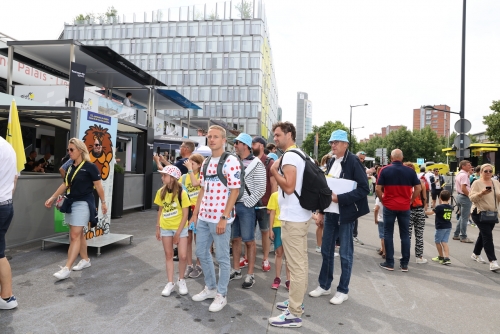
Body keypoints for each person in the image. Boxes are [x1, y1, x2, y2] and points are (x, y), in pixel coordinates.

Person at [309, 130, 369, 307]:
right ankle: (324, 285)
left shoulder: (353, 162)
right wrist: (321, 210)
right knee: (326, 251)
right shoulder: (331, 161)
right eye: (331, 143)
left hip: (345, 214)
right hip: (330, 213)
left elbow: (364, 189)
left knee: (345, 254)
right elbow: (325, 188)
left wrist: (340, 199)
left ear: (345, 144)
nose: (332, 145)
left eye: (336, 142)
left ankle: (343, 290)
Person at [191, 125, 240, 312]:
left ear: (223, 140)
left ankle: (222, 294)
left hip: (220, 217)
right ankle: (210, 288)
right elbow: (203, 188)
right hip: (204, 216)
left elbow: (235, 191)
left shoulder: (231, 161)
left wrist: (224, 217)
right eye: (209, 136)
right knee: (202, 252)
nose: (211, 139)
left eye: (215, 137)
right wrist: (195, 214)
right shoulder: (205, 162)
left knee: (221, 257)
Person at [44, 138, 107, 280]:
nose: (69, 152)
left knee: (74, 235)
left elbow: (98, 186)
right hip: (71, 203)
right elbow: (65, 185)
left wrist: (103, 202)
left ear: (80, 150)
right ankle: (85, 260)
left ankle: (67, 268)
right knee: (79, 235)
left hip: (83, 203)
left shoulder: (90, 167)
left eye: (71, 149)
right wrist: (53, 197)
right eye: (68, 150)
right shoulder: (71, 167)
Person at [268, 121, 311, 328]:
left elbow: (290, 186)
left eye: (278, 135)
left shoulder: (291, 156)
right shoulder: (301, 154)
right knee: (300, 264)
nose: (274, 139)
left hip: (293, 218)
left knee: (296, 266)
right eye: (274, 135)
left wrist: (273, 171)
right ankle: (297, 303)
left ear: (289, 134)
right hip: (299, 215)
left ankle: (294, 313)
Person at [230, 133, 266, 289]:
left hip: (246, 206)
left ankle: (250, 274)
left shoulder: (257, 164)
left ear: (245, 145)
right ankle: (237, 269)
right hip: (232, 205)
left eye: (237, 143)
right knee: (235, 239)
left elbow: (261, 188)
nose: (235, 145)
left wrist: (247, 204)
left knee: (250, 241)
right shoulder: (233, 161)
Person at [376, 149, 421, 272]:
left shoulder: (385, 170)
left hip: (389, 205)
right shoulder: (410, 171)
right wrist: (411, 200)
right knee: (405, 235)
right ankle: (404, 264)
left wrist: (383, 200)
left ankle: (389, 262)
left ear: (391, 158)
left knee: (388, 234)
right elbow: (418, 187)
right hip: (405, 206)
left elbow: (378, 188)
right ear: (402, 158)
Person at [154, 165, 191, 296]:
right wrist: (158, 227)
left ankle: (181, 280)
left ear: (173, 178)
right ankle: (170, 283)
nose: (162, 177)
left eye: (165, 175)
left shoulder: (182, 193)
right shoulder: (161, 192)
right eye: (162, 175)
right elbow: (160, 210)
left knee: (183, 255)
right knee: (168, 255)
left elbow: (186, 214)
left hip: (180, 228)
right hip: (166, 227)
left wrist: (178, 233)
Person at [252, 136, 277, 272]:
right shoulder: (250, 160)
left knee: (265, 232)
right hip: (250, 202)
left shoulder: (269, 162)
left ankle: (265, 258)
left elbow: (274, 184)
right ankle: (250, 257)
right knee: (249, 232)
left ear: (261, 145)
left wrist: (271, 205)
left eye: (254, 144)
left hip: (265, 203)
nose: (251, 146)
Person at [469, 164, 500, 271]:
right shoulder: (477, 183)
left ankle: (476, 253)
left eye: (490, 171)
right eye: (486, 171)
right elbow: (472, 198)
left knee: (483, 235)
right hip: (479, 212)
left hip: (492, 213)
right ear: (481, 172)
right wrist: (482, 193)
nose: (488, 173)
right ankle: (493, 261)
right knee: (488, 236)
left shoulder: (496, 182)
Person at [0, 136, 18, 310]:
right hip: (5, 204)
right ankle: (6, 297)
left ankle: (7, 297)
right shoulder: (8, 148)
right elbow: (14, 179)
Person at [182, 154, 204, 279]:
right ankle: (190, 264)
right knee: (188, 239)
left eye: (193, 163)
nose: (190, 165)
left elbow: (196, 185)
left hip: (200, 210)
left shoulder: (201, 176)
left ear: (199, 164)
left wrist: (190, 170)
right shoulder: (184, 177)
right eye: (189, 162)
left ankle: (199, 265)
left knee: (199, 239)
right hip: (188, 210)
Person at [403, 162, 428, 264]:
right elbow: (425, 197)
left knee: (406, 235)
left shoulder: (403, 182)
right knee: (419, 234)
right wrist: (424, 207)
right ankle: (419, 257)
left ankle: (405, 255)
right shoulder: (420, 182)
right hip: (419, 209)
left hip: (407, 209)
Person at [267, 191, 290, 290]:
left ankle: (289, 280)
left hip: (289, 226)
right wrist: (270, 229)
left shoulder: (292, 195)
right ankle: (277, 278)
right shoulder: (275, 195)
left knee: (289, 255)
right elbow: (272, 212)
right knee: (279, 253)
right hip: (277, 226)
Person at [425, 190, 453, 265]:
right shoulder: (451, 207)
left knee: (437, 242)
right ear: (449, 198)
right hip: (448, 226)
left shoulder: (439, 207)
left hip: (440, 226)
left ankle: (441, 257)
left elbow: (430, 213)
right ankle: (447, 258)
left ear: (440, 198)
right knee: (444, 242)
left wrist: (423, 212)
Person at [453, 160, 474, 243]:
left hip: (460, 196)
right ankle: (463, 236)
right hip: (465, 197)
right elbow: (463, 188)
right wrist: (470, 196)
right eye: (468, 165)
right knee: (465, 218)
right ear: (463, 166)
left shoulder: (459, 174)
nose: (470, 166)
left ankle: (456, 234)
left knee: (462, 217)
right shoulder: (464, 175)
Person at [374, 169, 385, 259]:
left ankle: (384, 251)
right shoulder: (389, 197)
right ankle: (384, 249)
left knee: (382, 237)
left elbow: (376, 209)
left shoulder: (379, 198)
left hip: (381, 219)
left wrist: (375, 219)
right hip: (389, 218)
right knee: (388, 235)